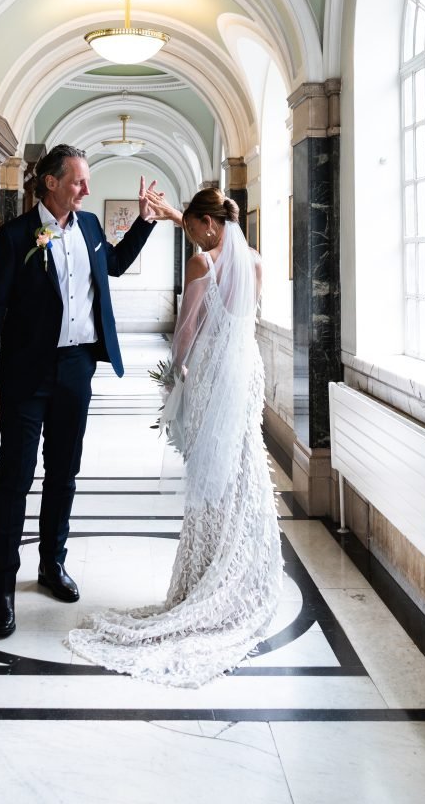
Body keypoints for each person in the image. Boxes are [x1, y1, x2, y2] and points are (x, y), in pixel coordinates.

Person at [68, 188, 283, 687]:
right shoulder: (254, 262)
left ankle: (205, 571)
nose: (192, 236)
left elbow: (186, 329)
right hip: (247, 373)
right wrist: (167, 215)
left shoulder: (202, 263)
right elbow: (241, 315)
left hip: (211, 373)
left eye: (193, 227)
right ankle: (242, 568)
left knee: (209, 472)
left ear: (208, 223)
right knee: (242, 468)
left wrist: (176, 375)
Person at [0, 144, 160, 638]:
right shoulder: (15, 236)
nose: (86, 189)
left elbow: (114, 265)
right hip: (26, 373)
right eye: (78, 181)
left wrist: (144, 221)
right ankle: (2, 587)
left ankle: (51, 564)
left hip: (77, 368)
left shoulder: (91, 228)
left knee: (64, 472)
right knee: (15, 477)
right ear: (51, 182)